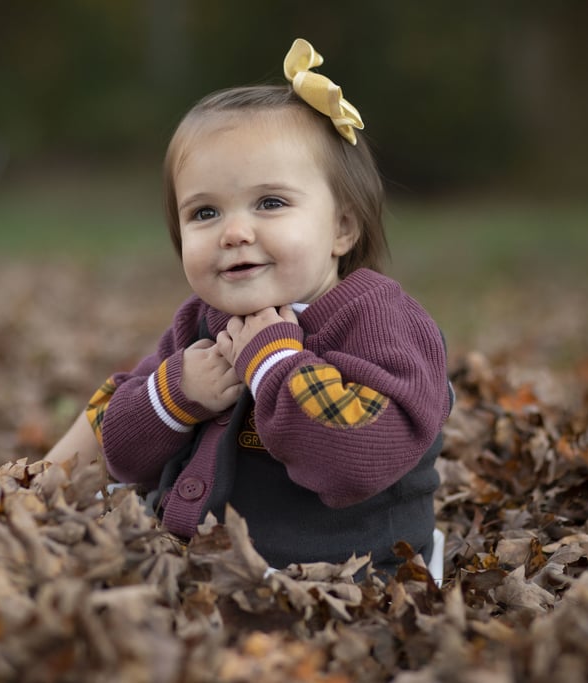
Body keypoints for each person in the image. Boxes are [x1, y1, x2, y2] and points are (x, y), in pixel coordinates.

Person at [44, 38, 453, 577]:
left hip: (346, 578)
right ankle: (28, 488)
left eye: (270, 203)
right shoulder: (199, 322)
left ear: (342, 227)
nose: (235, 232)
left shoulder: (378, 320)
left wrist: (275, 366)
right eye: (205, 212)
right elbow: (118, 441)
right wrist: (175, 394)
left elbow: (357, 459)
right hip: (199, 568)